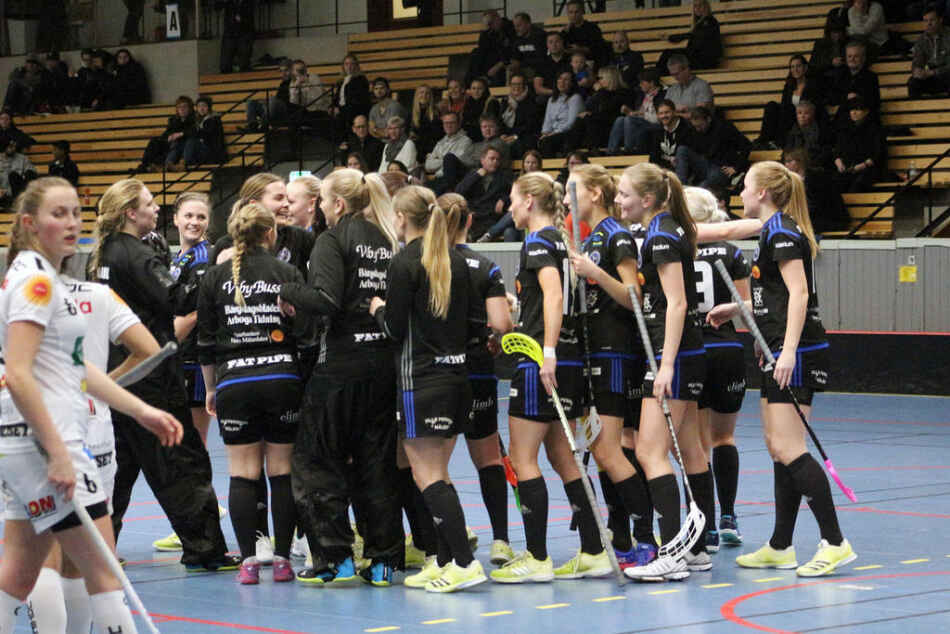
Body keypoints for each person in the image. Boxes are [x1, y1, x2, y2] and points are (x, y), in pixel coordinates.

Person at [0, 176, 182, 634]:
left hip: (26, 444)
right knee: (104, 574)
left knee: (18, 573)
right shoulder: (36, 282)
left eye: (76, 213)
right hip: (48, 443)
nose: (71, 223)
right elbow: (18, 373)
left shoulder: (45, 279)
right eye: (57, 214)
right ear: (29, 223)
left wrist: (140, 410)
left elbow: (74, 369)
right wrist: (57, 452)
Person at [708, 161, 857, 577]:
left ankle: (835, 542)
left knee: (790, 448)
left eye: (745, 186)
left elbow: (799, 294)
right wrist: (739, 309)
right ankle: (780, 545)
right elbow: (772, 295)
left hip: (798, 352)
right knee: (778, 448)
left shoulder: (784, 233)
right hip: (775, 348)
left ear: (763, 193)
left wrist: (788, 350)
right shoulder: (770, 230)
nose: (740, 192)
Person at [90, 178, 239, 572]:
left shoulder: (104, 253)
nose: (156, 208)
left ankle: (98, 548)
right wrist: (218, 274)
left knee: (119, 466)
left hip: (117, 372)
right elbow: (177, 298)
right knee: (181, 461)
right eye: (149, 203)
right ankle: (205, 549)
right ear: (130, 212)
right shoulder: (134, 254)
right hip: (151, 375)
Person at [278, 169, 404, 586]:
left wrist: (287, 289)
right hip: (382, 363)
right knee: (376, 462)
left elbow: (327, 299)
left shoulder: (332, 240)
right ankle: (383, 561)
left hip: (341, 365)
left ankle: (334, 558)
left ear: (337, 203)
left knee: (316, 460)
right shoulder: (386, 239)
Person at [489, 171, 609, 584]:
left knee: (523, 458)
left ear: (528, 201)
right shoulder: (563, 241)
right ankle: (594, 551)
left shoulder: (539, 241)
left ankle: (537, 557)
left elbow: (554, 294)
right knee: (563, 457)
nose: (510, 206)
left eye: (512, 198)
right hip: (568, 360)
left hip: (542, 359)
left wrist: (548, 351)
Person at [369, 185, 486, 592]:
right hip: (456, 379)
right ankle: (446, 559)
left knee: (428, 475)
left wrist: (378, 309)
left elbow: (393, 329)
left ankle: (465, 563)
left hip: (420, 381)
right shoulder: (457, 260)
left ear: (401, 218)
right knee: (436, 474)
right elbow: (475, 325)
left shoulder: (404, 263)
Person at [614, 163, 713, 583]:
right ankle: (697, 549)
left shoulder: (661, 236)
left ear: (648, 199)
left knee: (649, 452)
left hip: (674, 356)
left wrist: (666, 363)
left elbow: (678, 303)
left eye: (624, 194)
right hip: (683, 354)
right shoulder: (665, 230)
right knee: (689, 450)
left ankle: (670, 551)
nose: (618, 200)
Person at [199, 202, 304, 585]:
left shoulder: (214, 277)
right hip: (282, 378)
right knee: (282, 470)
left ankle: (247, 563)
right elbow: (303, 329)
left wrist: (212, 388)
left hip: (235, 382)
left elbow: (205, 343)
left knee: (242, 473)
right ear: (270, 233)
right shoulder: (286, 272)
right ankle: (282, 560)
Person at [565, 164, 657, 571]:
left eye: (573, 190)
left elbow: (633, 297)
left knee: (608, 449)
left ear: (595, 194)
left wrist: (595, 274)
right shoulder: (589, 238)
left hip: (614, 352)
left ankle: (647, 537)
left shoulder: (617, 235)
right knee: (603, 451)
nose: (568, 199)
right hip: (592, 352)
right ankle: (620, 535)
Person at [437, 193, 516, 568]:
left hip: (440, 371)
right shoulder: (484, 266)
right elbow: (502, 325)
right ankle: (501, 540)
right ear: (470, 222)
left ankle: (456, 536)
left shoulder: (429, 263)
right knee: (488, 457)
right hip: (479, 370)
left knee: (435, 464)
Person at [683, 186, 751, 553]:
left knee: (697, 445)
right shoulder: (731, 251)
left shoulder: (678, 248)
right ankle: (728, 517)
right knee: (725, 437)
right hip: (727, 349)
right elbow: (745, 304)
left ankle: (703, 525)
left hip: (693, 350)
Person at [169, 193, 213, 447]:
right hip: (179, 357)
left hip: (194, 360)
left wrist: (159, 345)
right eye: (188, 215)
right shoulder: (180, 257)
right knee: (179, 439)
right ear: (176, 219)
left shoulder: (204, 257)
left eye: (201, 217)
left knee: (194, 441)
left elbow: (195, 314)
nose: (194, 222)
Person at [212, 173, 317, 278]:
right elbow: (209, 284)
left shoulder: (299, 237)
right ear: (254, 204)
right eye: (279, 198)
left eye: (288, 199)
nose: (286, 204)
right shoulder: (227, 244)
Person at [756, 56, 825, 150]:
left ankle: (779, 143)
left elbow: (813, 106)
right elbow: (784, 104)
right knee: (771, 106)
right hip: (788, 118)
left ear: (805, 68)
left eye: (798, 66)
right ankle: (764, 141)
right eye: (792, 67)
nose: (795, 69)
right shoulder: (789, 86)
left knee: (787, 111)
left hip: (803, 117)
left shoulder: (813, 85)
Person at [676, 106, 751, 190]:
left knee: (702, 187)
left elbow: (746, 146)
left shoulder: (725, 128)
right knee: (682, 150)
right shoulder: (693, 130)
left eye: (700, 126)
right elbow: (686, 149)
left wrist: (736, 167)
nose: (698, 129)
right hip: (705, 164)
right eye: (695, 126)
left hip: (722, 169)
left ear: (708, 119)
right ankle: (680, 186)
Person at [565, 66, 633, 154]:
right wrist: (589, 112)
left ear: (610, 78)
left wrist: (601, 92)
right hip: (600, 122)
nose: (598, 81)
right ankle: (569, 149)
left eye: (600, 78)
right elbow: (591, 107)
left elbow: (608, 109)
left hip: (614, 125)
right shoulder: (602, 93)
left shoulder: (623, 92)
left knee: (589, 119)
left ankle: (592, 149)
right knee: (581, 118)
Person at [783, 147, 849, 234]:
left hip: (827, 219)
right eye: (785, 162)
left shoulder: (818, 179)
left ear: (800, 161)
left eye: (789, 161)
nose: (786, 165)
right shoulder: (789, 181)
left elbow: (819, 205)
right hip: (808, 219)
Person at [455, 146, 512, 240]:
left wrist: (504, 199)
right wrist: (476, 176)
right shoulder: (473, 174)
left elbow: (514, 194)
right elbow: (458, 192)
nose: (495, 162)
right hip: (474, 217)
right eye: (492, 158)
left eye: (497, 159)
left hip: (491, 218)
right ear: (482, 160)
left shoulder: (503, 177)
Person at [832, 96, 886, 193]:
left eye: (858, 109)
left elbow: (878, 154)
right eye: (852, 109)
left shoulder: (875, 129)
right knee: (833, 184)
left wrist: (863, 165)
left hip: (868, 169)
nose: (853, 112)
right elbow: (837, 150)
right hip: (848, 168)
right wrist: (838, 162)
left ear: (866, 112)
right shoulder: (844, 129)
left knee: (857, 185)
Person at [607, 68, 666, 155]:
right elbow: (637, 114)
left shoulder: (661, 95)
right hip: (641, 121)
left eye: (642, 82)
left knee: (629, 120)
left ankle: (629, 150)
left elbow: (658, 118)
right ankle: (611, 151)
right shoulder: (642, 95)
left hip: (655, 124)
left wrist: (641, 114)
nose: (640, 85)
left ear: (651, 83)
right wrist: (630, 112)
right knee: (620, 119)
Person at [657, 0, 723, 73]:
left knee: (668, 54)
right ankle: (659, 73)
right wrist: (671, 38)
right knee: (669, 56)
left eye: (700, 5)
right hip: (697, 58)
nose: (697, 8)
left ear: (706, 6)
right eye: (695, 6)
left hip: (705, 62)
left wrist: (671, 38)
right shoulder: (700, 23)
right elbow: (691, 37)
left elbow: (695, 40)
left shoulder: (709, 22)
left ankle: (657, 73)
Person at [488, 73, 542, 159]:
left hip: (524, 136)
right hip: (506, 136)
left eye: (519, 84)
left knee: (516, 145)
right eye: (513, 84)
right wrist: (502, 134)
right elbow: (500, 122)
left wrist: (514, 136)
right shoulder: (505, 102)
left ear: (524, 86)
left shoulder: (531, 102)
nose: (516, 87)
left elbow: (530, 126)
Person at [138, 96, 197, 173]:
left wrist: (180, 134)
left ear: (190, 108)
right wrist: (169, 137)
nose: (182, 109)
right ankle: (146, 165)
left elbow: (194, 132)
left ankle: (168, 165)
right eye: (179, 107)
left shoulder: (194, 119)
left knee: (178, 142)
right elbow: (166, 133)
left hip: (183, 146)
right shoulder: (173, 120)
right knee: (154, 141)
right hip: (172, 145)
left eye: (184, 107)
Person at [424, 111, 472, 193]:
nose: (448, 125)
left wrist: (438, 159)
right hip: (438, 179)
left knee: (449, 158)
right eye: (446, 123)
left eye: (452, 122)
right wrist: (443, 160)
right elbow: (428, 165)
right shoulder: (440, 142)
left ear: (458, 124)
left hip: (454, 182)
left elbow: (452, 163)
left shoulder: (465, 141)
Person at [539, 72, 584, 157]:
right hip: (552, 134)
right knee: (538, 141)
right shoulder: (551, 99)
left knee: (547, 142)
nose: (562, 82)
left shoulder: (575, 98)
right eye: (560, 78)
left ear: (572, 83)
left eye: (566, 79)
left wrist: (553, 133)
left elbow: (571, 123)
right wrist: (545, 133)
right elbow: (547, 121)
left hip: (567, 133)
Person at [908, 5, 950, 98]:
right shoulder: (921, 40)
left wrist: (933, 72)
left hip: (946, 74)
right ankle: (916, 107)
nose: (928, 24)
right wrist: (917, 71)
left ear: (940, 20)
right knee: (913, 83)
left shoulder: (948, 36)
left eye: (932, 20)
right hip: (931, 77)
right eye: (925, 21)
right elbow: (917, 63)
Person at [467, 11, 515, 88]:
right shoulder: (488, 33)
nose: (489, 27)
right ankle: (475, 82)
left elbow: (512, 50)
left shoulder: (510, 29)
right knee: (475, 54)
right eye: (486, 25)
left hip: (504, 60)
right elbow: (482, 51)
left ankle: (483, 80)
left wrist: (499, 64)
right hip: (491, 60)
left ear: (498, 19)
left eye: (490, 24)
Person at [785, 101, 835, 171]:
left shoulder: (821, 131)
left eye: (806, 113)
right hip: (794, 166)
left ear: (812, 115)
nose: (802, 116)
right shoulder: (792, 132)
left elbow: (826, 152)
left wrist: (808, 165)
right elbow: (787, 151)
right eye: (799, 113)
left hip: (814, 166)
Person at [243, 61, 292, 133]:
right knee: (251, 102)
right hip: (276, 110)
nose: (283, 73)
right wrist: (267, 102)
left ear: (292, 70)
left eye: (286, 70)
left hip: (287, 112)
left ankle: (264, 125)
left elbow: (292, 101)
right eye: (281, 71)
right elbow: (278, 99)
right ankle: (252, 125)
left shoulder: (295, 82)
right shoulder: (283, 83)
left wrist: (273, 101)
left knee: (273, 100)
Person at [649, 99, 696, 172]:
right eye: (661, 113)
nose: (664, 116)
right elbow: (653, 158)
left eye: (667, 112)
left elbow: (687, 158)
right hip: (664, 171)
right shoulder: (657, 130)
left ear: (674, 112)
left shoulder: (687, 129)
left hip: (683, 172)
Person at [331, 55, 372, 135]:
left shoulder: (361, 79)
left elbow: (357, 100)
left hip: (354, 112)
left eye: (352, 64)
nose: (349, 67)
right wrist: (333, 107)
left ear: (356, 66)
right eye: (346, 64)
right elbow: (337, 98)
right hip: (342, 112)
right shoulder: (341, 81)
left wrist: (340, 109)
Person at [561, 1, 609, 67]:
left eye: (576, 12)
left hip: (590, 61)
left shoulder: (592, 28)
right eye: (571, 12)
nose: (573, 15)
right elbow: (562, 48)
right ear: (567, 14)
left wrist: (579, 49)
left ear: (582, 12)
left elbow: (597, 49)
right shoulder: (566, 31)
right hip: (572, 63)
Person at [508, 12, 548, 78]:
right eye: (515, 26)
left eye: (519, 25)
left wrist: (521, 63)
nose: (516, 29)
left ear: (528, 24)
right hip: (524, 67)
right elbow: (516, 56)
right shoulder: (517, 38)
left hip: (539, 68)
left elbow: (542, 59)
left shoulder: (540, 36)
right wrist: (514, 62)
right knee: (510, 71)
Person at [534, 32, 573, 98]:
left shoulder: (572, 59)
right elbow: (538, 88)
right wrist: (556, 93)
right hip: (550, 95)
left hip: (570, 94)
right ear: (547, 45)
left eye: (557, 42)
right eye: (550, 42)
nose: (554, 45)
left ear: (562, 43)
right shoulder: (542, 62)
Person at [220, 0, 255, 73]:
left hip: (244, 33)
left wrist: (241, 20)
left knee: (244, 63)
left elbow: (249, 22)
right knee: (225, 65)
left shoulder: (247, 4)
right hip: (231, 33)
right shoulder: (229, 4)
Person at [409, 85, 442, 159]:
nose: (424, 95)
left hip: (431, 150)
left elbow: (436, 135)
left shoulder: (436, 113)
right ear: (417, 95)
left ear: (430, 97)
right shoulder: (410, 113)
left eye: (427, 93)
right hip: (415, 149)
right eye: (421, 92)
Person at [194, 96, 228, 167]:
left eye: (204, 106)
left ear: (209, 107)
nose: (201, 108)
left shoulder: (214, 120)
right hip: (205, 151)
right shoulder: (198, 120)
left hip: (213, 153)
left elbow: (206, 136)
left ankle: (184, 162)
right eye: (199, 106)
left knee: (191, 142)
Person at [462, 77, 491, 142]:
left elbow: (489, 124)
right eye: (473, 88)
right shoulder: (469, 102)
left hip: (484, 136)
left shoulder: (491, 102)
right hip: (469, 135)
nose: (476, 91)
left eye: (479, 88)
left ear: (485, 90)